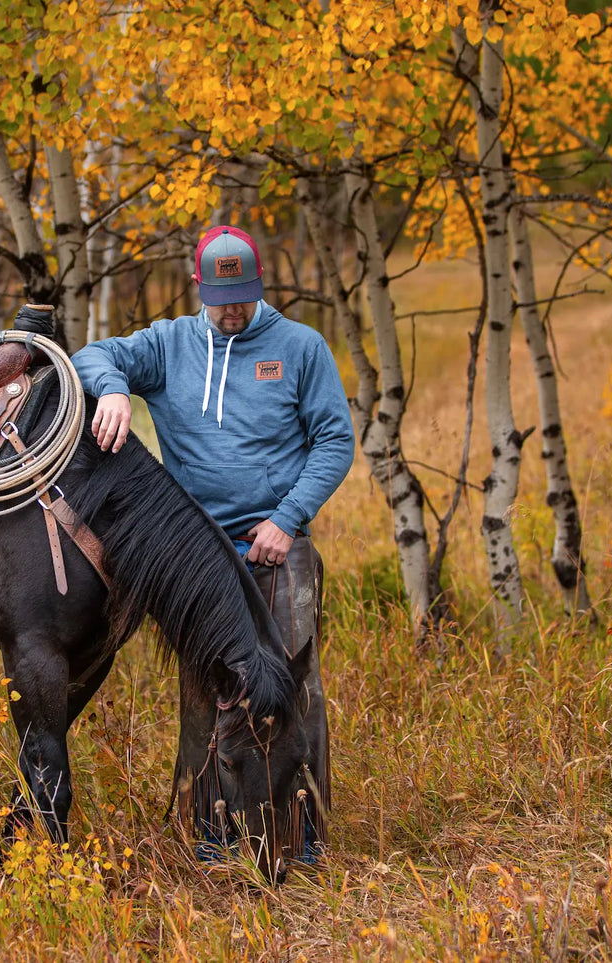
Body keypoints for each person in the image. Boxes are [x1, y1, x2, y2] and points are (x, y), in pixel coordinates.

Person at [71, 224, 355, 861]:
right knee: (203, 691)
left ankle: (300, 838)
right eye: (222, 297)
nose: (233, 308)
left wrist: (288, 518)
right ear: (199, 288)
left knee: (292, 686)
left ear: (259, 287)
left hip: (278, 545)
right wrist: (114, 389)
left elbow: (336, 441)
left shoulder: (301, 348)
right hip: (198, 556)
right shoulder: (170, 344)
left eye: (244, 296)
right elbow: (93, 355)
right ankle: (211, 837)